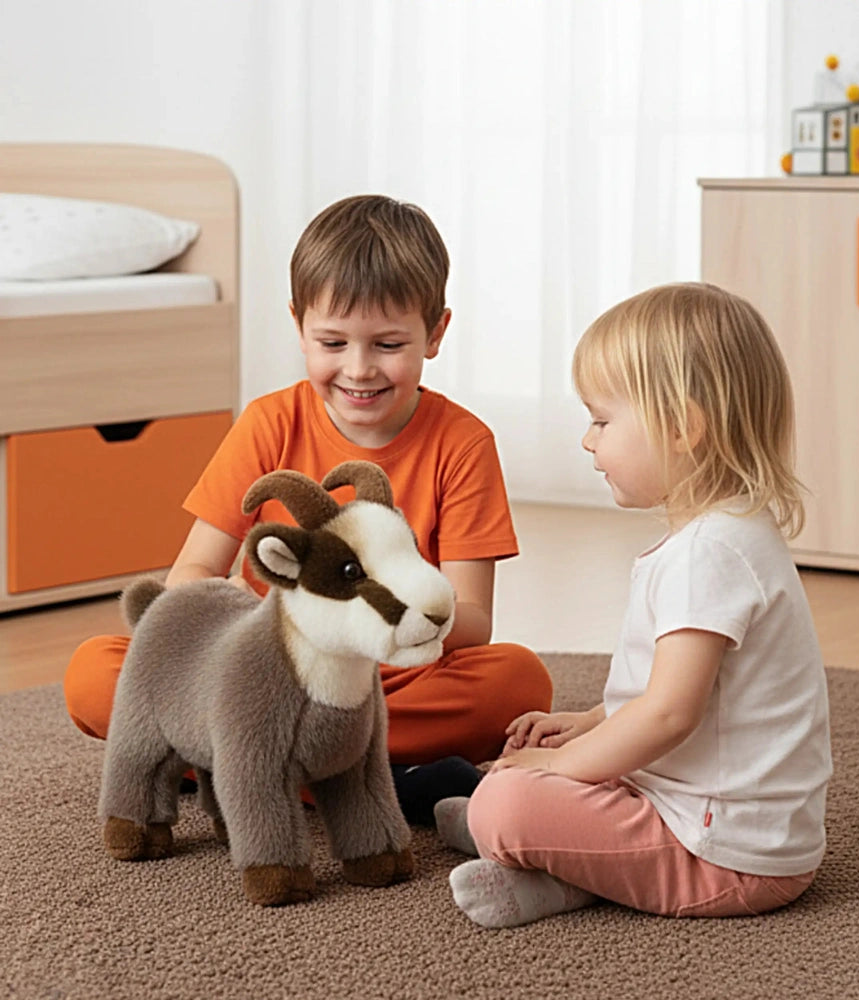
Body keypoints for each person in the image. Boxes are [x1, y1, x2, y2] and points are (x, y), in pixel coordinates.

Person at [63, 194, 553, 824]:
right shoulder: (268, 422)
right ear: (298, 326)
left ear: (435, 333)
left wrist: (367, 630)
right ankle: (365, 779)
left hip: (386, 679)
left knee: (515, 682)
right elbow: (190, 576)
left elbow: (473, 619)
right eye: (332, 342)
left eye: (387, 344)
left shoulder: (463, 443)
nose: (358, 369)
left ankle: (242, 766)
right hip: (255, 677)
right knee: (93, 673)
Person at [435, 282, 833, 927]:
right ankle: (550, 856)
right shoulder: (727, 533)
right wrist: (594, 721)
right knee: (520, 788)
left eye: (600, 419)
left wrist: (559, 766)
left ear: (683, 427)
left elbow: (670, 714)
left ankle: (547, 862)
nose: (588, 442)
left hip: (726, 856)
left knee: (503, 800)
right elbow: (696, 696)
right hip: (717, 820)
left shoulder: (709, 553)